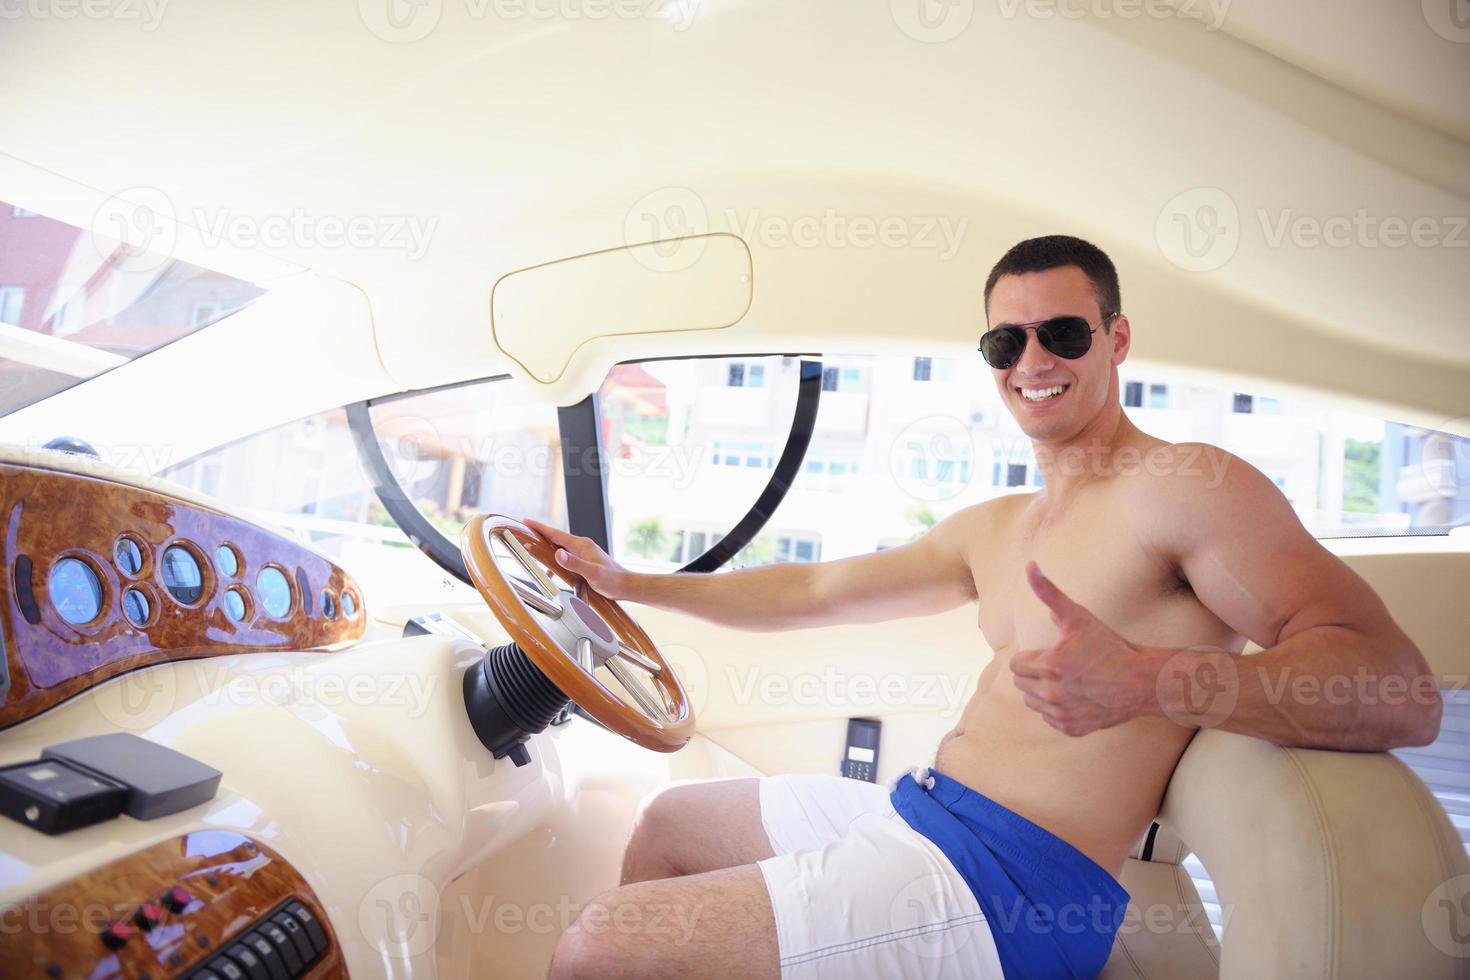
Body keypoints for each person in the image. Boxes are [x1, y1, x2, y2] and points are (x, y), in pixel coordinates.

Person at [532, 235, 1441, 980]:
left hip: (1015, 888)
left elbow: (1399, 690)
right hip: (922, 813)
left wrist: (1149, 681)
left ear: (1117, 339)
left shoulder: (1186, 486)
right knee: (667, 826)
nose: (1033, 361)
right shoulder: (1000, 526)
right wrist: (631, 584)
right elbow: (810, 590)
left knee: (602, 944)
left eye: (1063, 334)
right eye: (1006, 344)